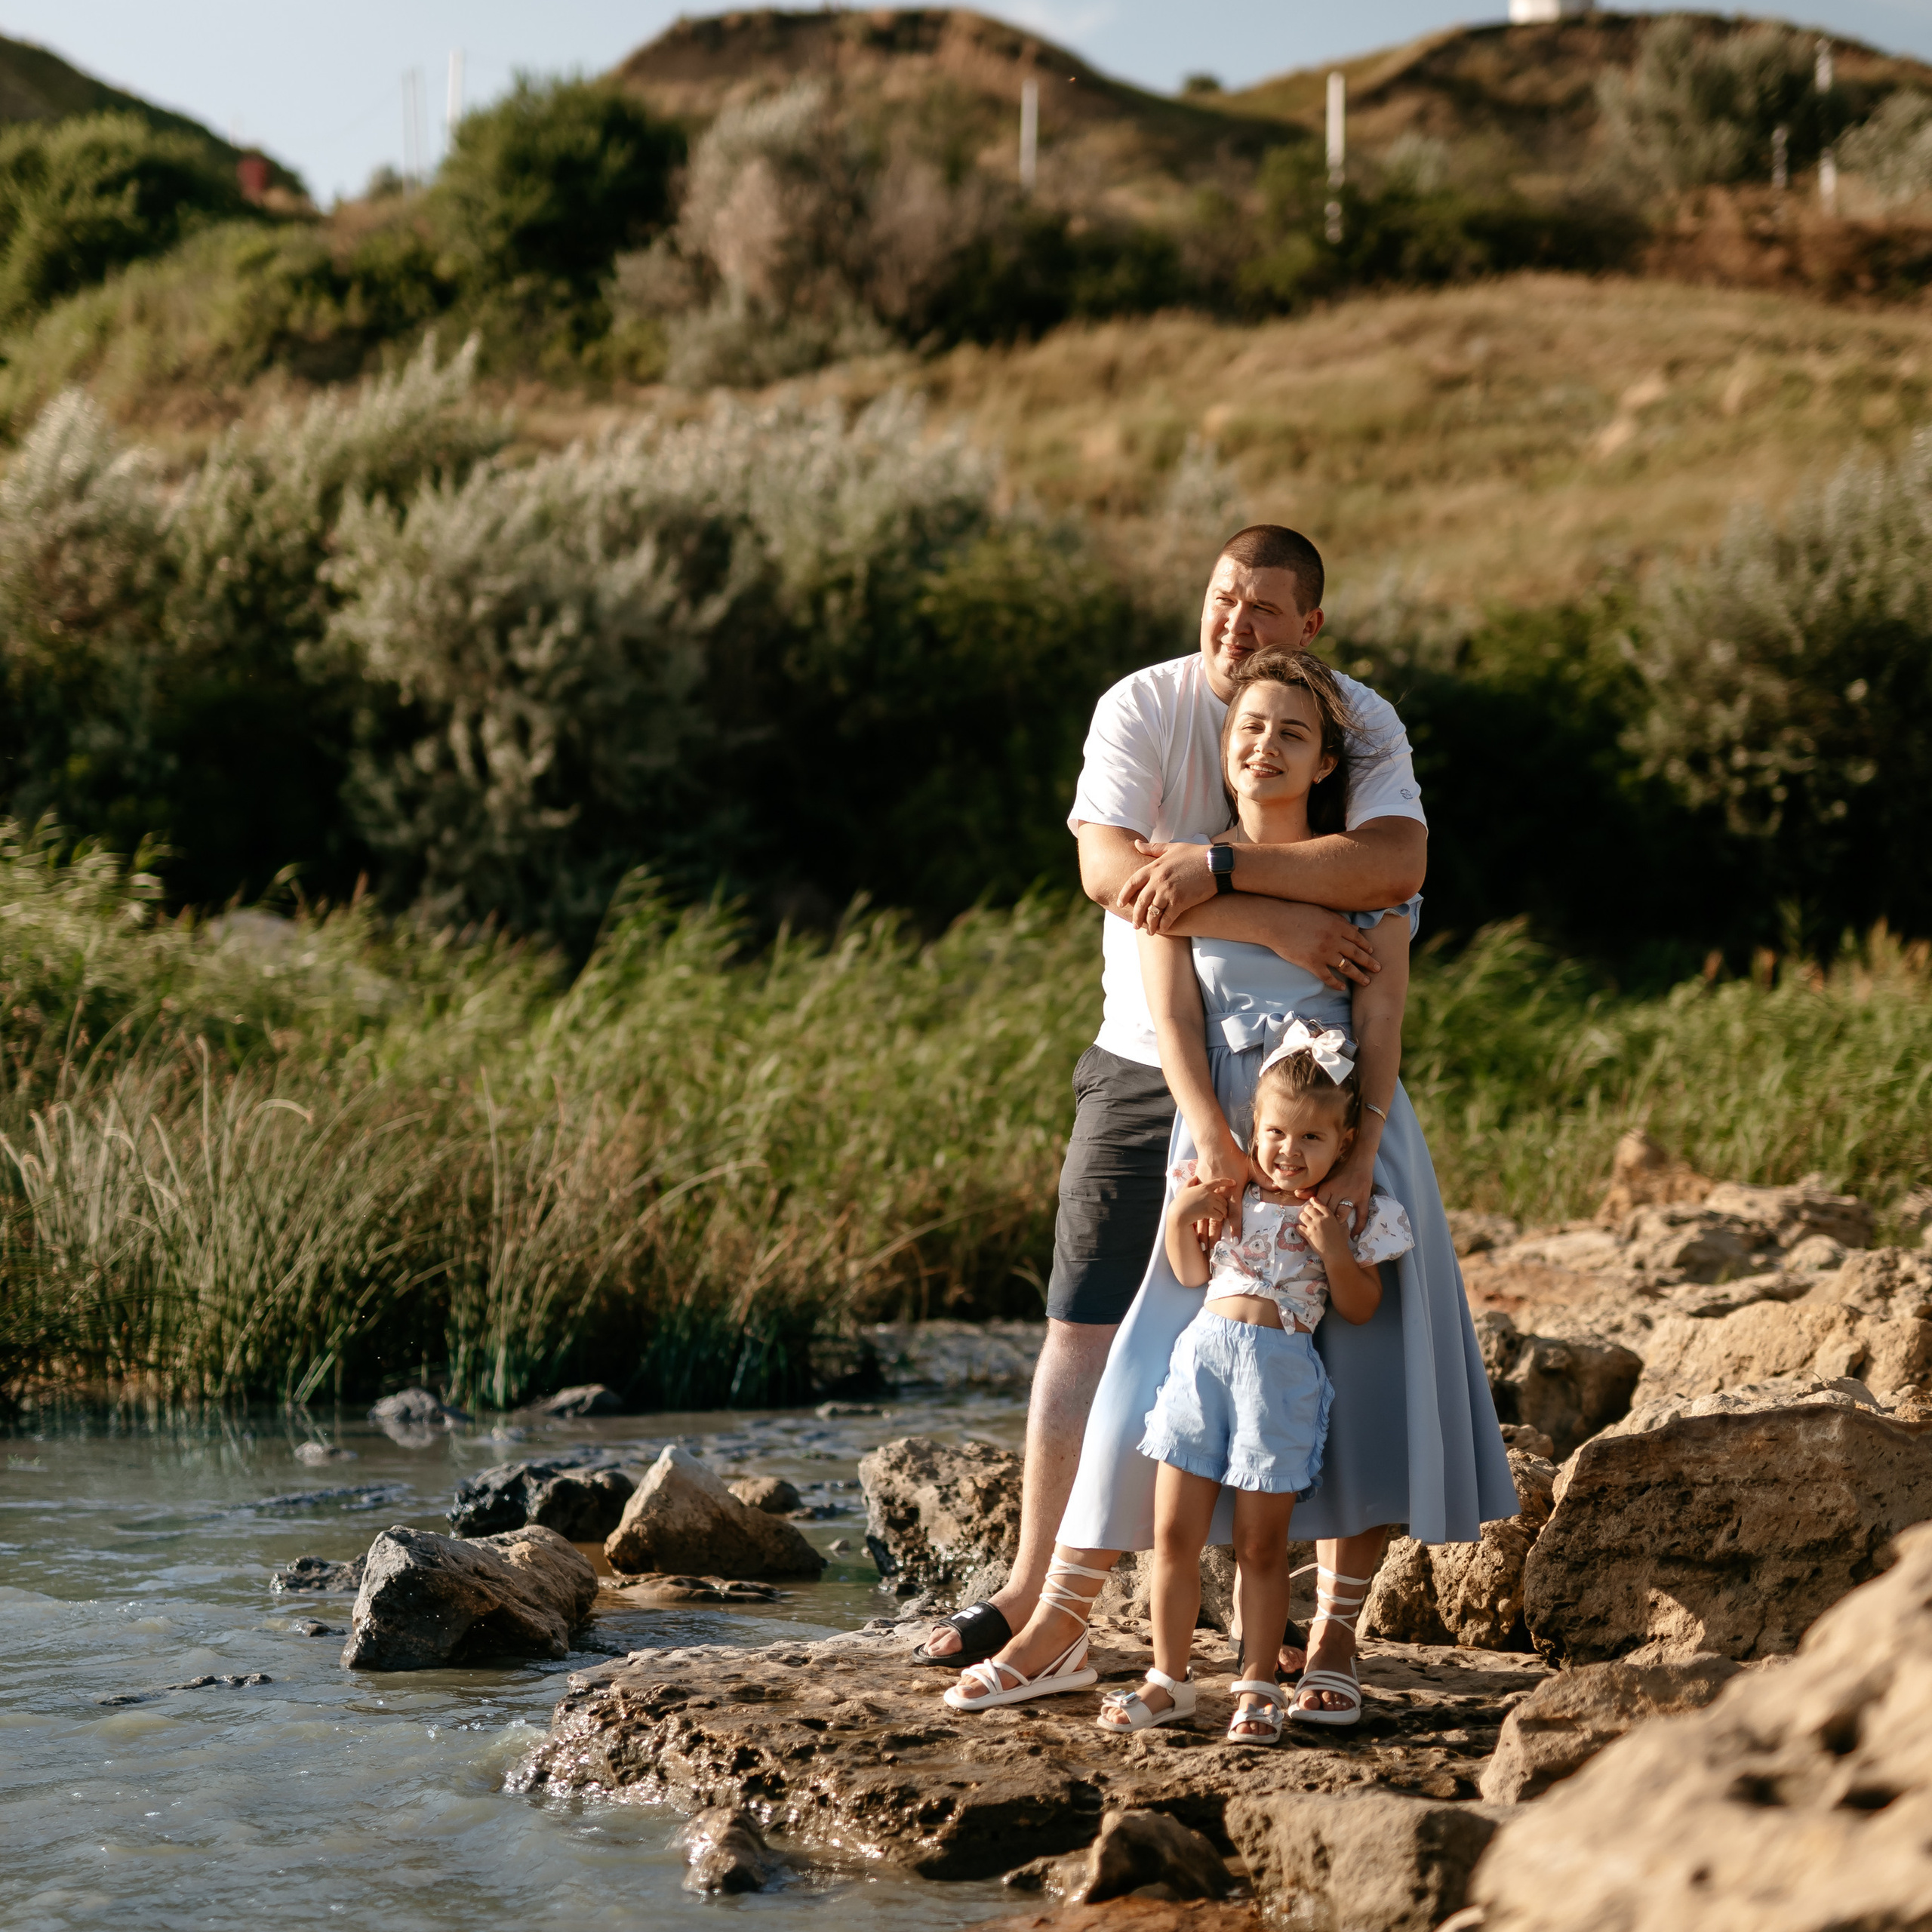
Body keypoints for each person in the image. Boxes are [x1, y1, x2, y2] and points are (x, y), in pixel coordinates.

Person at [942, 645, 1517, 1724]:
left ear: (1324, 762)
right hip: (1216, 1142)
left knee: (1369, 1376)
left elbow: (1383, 1021)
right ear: (1224, 742)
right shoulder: (1175, 868)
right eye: (1250, 726)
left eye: (1293, 733)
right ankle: (1060, 1623)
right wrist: (1207, 1133)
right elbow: (1169, 1014)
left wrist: (1361, 1157)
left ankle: (1334, 1639)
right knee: (1146, 1374)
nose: (1265, 746)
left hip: (1349, 1139)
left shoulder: (1366, 883)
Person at [1094, 1025, 1411, 1742]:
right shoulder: (1225, 1189)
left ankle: (1258, 1687)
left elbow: (1361, 1308)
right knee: (1173, 1536)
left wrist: (1335, 1250)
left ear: (1345, 1143)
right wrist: (1182, 1216)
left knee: (1261, 1547)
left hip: (1279, 1380)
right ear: (1254, 1127)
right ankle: (1168, 1681)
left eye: (1311, 1139)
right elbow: (1189, 1274)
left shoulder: (1348, 1213)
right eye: (1275, 1133)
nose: (1289, 1152)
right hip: (1200, 1368)